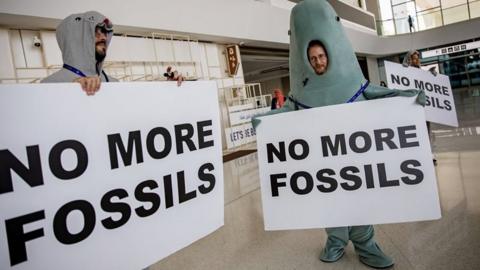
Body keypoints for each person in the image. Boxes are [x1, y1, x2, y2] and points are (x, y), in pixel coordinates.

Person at [307, 40, 395, 269]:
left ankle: (366, 244)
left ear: (329, 56)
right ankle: (335, 241)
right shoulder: (304, 89)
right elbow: (287, 113)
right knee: (330, 200)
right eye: (313, 58)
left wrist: (409, 97)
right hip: (324, 159)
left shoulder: (352, 82)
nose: (318, 61)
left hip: (353, 157)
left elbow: (380, 94)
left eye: (321, 56)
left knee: (359, 199)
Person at [41, 11, 182, 94]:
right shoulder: (47, 87)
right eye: (95, 33)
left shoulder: (114, 83)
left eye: (105, 32)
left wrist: (169, 89)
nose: (103, 37)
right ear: (77, 39)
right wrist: (68, 92)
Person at [403, 50, 438, 165]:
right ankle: (418, 153)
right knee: (416, 131)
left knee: (427, 131)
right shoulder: (404, 72)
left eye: (417, 58)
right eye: (413, 58)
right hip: (412, 107)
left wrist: (432, 74)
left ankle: (429, 153)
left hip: (424, 107)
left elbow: (428, 83)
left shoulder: (421, 72)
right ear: (409, 59)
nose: (416, 60)